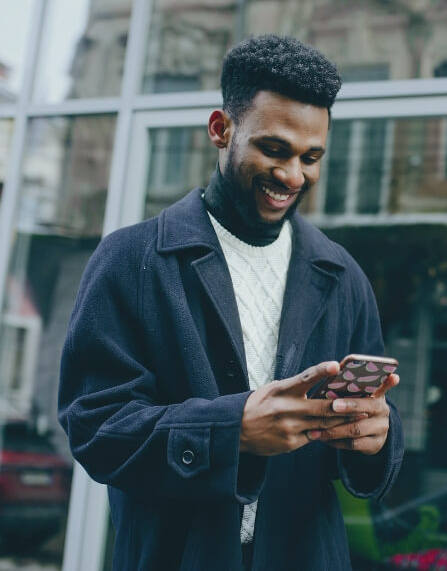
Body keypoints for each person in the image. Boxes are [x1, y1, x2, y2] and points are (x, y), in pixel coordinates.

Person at [57, 34, 403, 571]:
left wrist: (376, 434)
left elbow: (373, 442)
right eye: (274, 149)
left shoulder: (342, 275)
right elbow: (96, 428)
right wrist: (232, 431)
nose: (293, 176)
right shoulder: (129, 259)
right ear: (222, 130)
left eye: (311, 157)